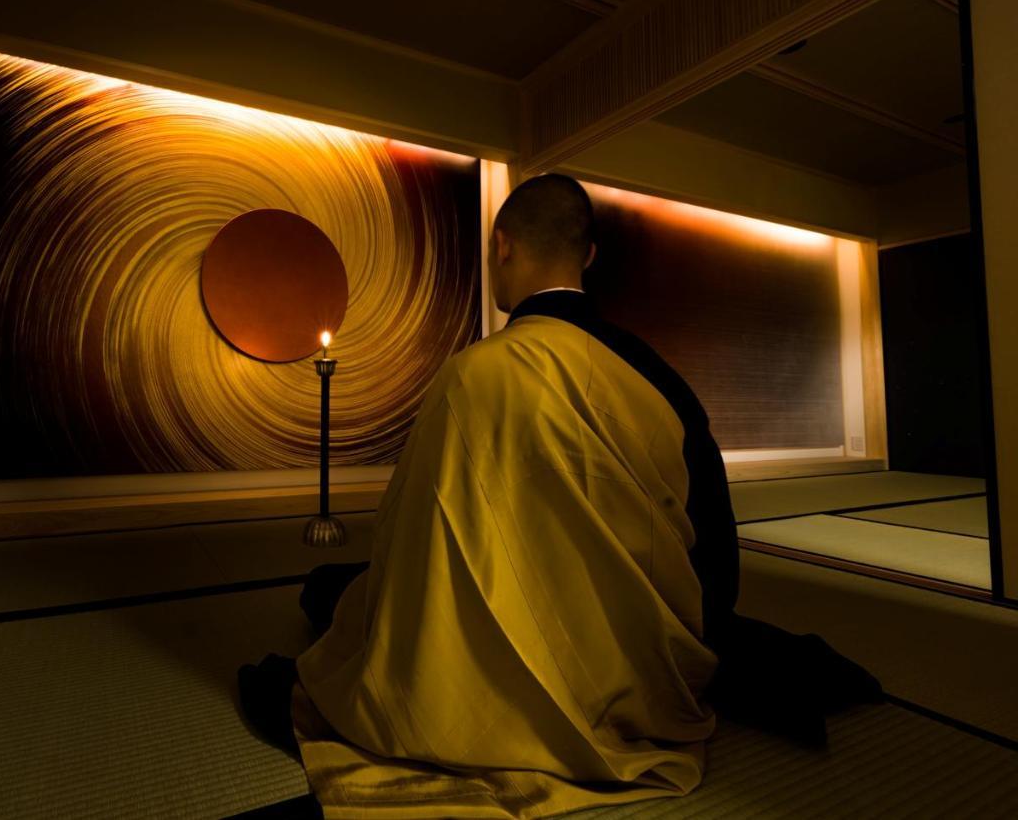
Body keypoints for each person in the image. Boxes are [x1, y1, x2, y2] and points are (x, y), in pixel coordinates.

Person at [239, 174, 880, 819]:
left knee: (337, 592)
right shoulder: (655, 377)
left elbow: (414, 542)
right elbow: (711, 539)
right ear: (590, 257)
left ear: (502, 246)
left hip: (503, 633)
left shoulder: (472, 375)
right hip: (639, 654)